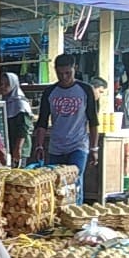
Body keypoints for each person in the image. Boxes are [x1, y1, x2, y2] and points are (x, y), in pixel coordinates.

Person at [33, 53, 99, 202]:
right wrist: (39, 146)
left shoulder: (85, 90)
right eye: (60, 73)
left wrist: (94, 148)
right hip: (56, 146)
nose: (64, 77)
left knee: (74, 183)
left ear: (75, 69)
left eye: (67, 73)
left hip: (78, 145)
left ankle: (76, 216)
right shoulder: (50, 92)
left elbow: (93, 121)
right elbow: (42, 122)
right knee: (55, 186)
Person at [0, 71, 33, 164]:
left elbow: (23, 129)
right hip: (9, 146)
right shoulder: (6, 102)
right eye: (1, 84)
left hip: (19, 148)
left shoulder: (20, 103)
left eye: (7, 84)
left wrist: (18, 148)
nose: (2, 87)